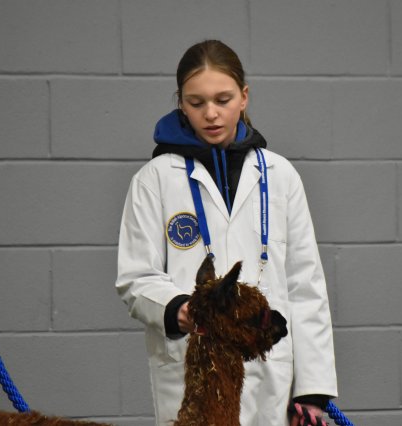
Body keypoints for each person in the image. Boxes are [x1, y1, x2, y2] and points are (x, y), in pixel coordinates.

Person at [115, 39, 338, 425]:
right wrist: (179, 309)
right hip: (194, 368)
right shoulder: (155, 179)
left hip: (272, 374)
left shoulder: (280, 176)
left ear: (244, 97)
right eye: (196, 102)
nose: (211, 114)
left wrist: (312, 391)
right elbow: (136, 276)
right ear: (181, 103)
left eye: (223, 99)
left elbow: (305, 286)